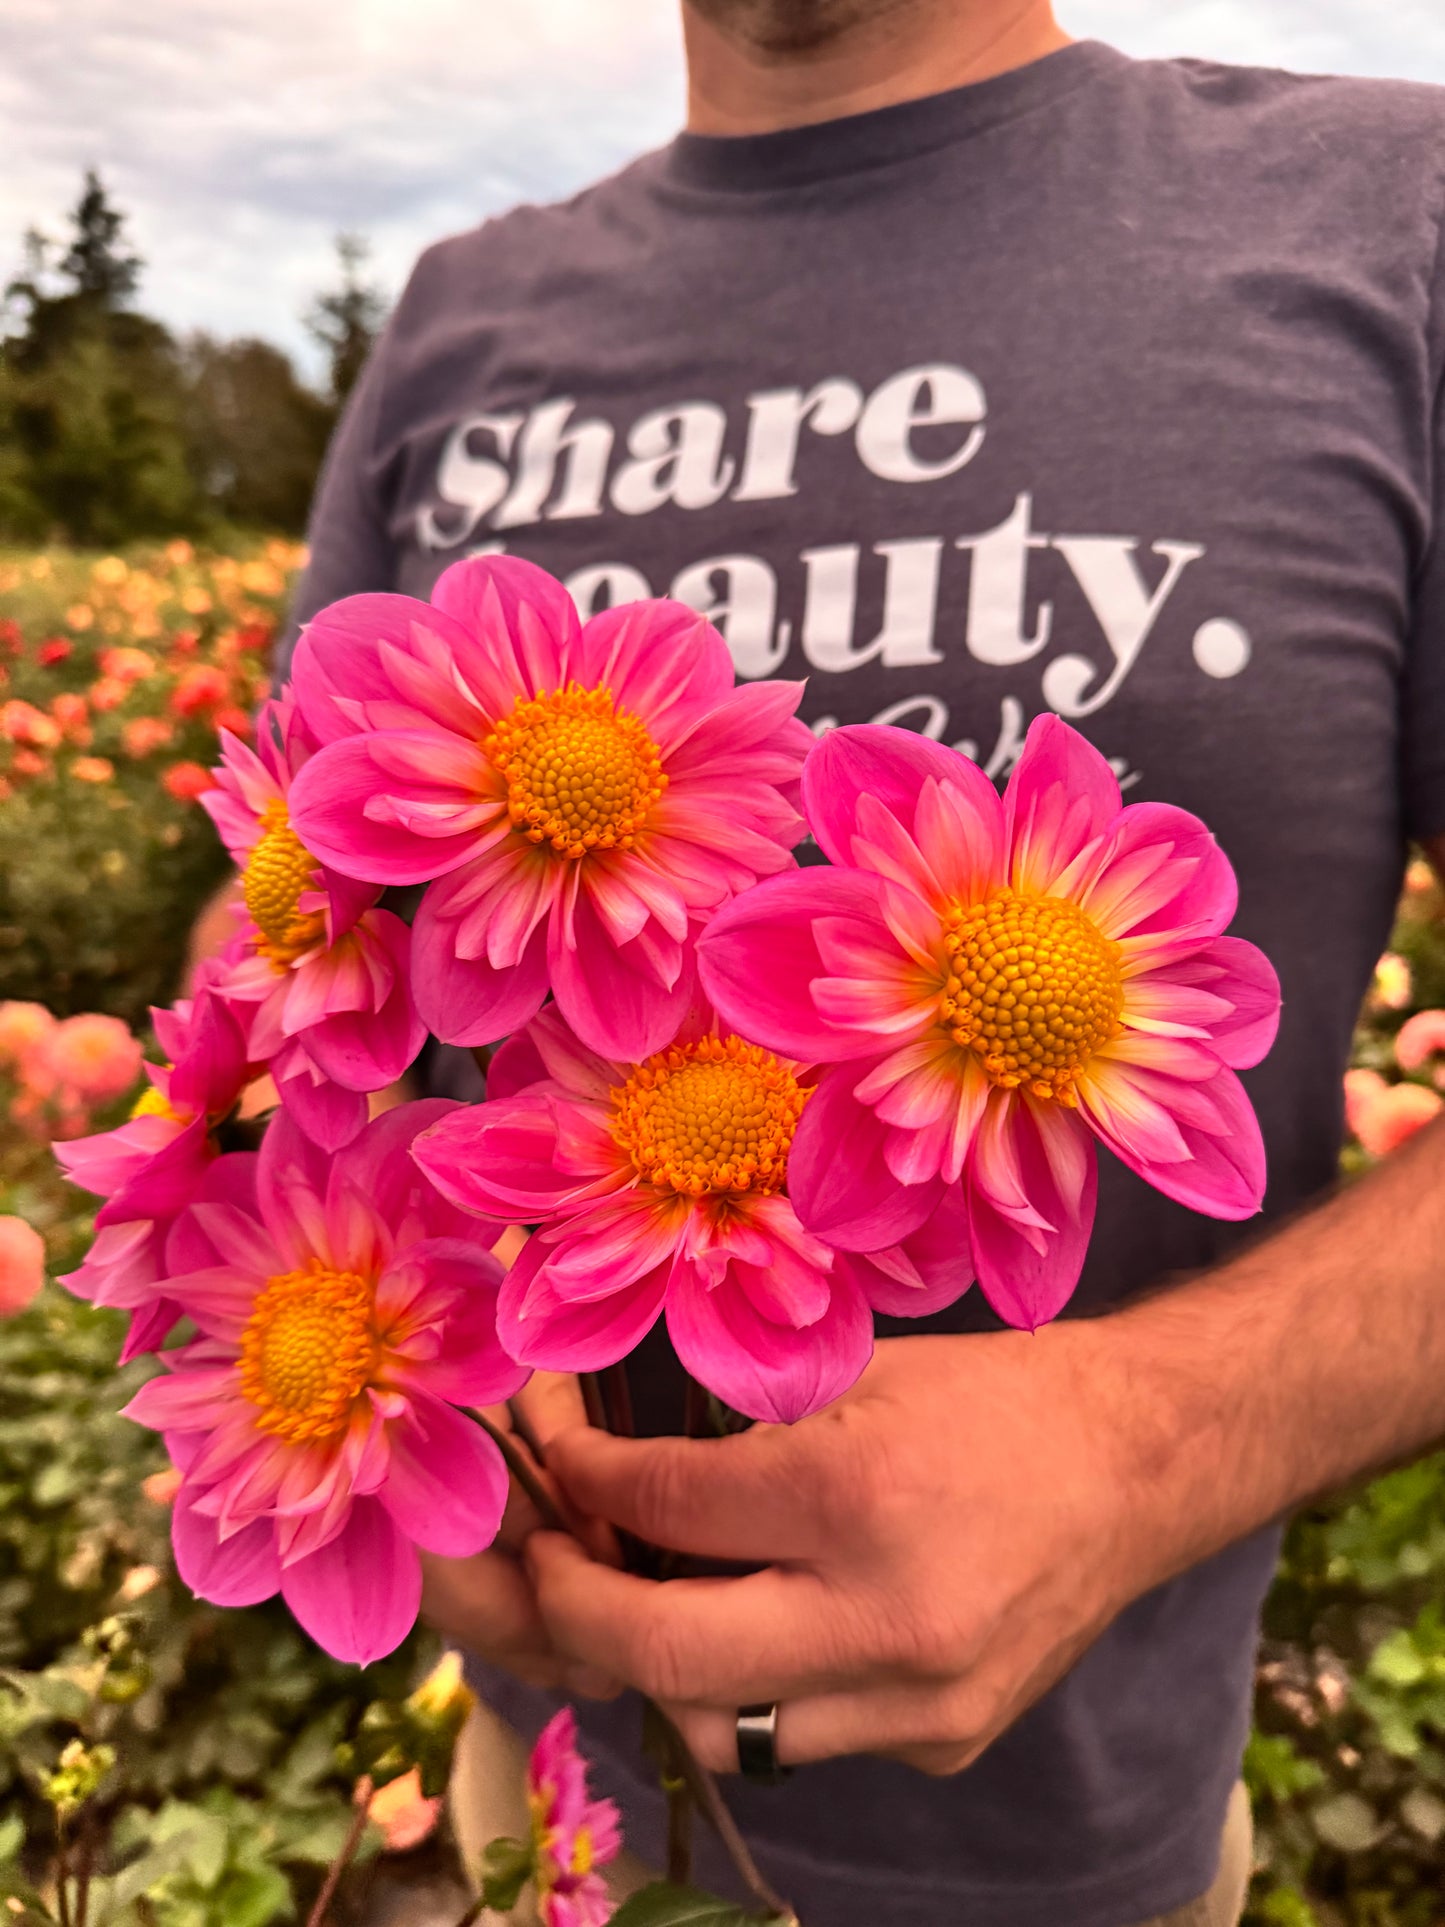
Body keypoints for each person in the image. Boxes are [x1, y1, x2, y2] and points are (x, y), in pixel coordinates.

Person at [272, 2, 1445, 1921]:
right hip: (540, 1821)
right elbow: (294, 942)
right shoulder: (458, 312)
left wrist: (1151, 1439)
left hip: (1086, 1870)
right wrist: (376, 1401)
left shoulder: (1396, 219)